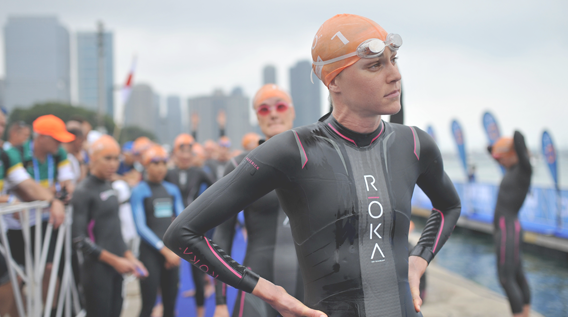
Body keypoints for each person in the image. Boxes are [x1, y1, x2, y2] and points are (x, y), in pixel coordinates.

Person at [164, 13, 461, 317]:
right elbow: (182, 233)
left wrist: (419, 258)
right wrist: (270, 292)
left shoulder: (414, 143)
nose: (395, 75)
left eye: (393, 59)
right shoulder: (294, 150)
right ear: (334, 81)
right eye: (375, 65)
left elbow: (449, 207)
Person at [213, 84, 303, 317]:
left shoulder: (315, 159)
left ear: (292, 112)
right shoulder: (240, 167)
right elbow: (223, 235)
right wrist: (220, 301)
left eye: (280, 106)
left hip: (311, 285)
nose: (273, 113)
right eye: (264, 109)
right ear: (257, 117)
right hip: (259, 284)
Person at [71, 135, 148, 317]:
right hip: (97, 270)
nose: (113, 164)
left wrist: (130, 257)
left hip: (116, 267)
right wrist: (116, 261)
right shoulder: (83, 191)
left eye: (116, 158)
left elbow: (115, 231)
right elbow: (79, 240)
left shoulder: (110, 186)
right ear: (93, 159)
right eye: (107, 158)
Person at [165, 134, 215, 317]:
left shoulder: (199, 171)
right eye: (182, 151)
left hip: (194, 225)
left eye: (189, 151)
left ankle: (200, 312)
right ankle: (167, 307)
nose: (185, 155)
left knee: (198, 268)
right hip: (170, 224)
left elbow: (217, 189)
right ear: (175, 153)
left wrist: (204, 211)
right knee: (169, 268)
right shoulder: (168, 172)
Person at [131, 145, 184, 317]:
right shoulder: (139, 190)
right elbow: (141, 227)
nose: (161, 168)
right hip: (150, 253)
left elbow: (182, 221)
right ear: (146, 165)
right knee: (148, 305)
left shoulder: (172, 190)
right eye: (155, 163)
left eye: (164, 163)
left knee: (170, 305)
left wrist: (174, 251)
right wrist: (164, 250)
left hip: (171, 252)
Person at [489, 132, 532, 317]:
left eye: (503, 157)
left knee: (507, 278)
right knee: (517, 274)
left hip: (508, 228)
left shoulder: (524, 169)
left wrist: (508, 145)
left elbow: (519, 136)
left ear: (513, 153)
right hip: (505, 228)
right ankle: (525, 314)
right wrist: (498, 150)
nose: (501, 161)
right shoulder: (511, 169)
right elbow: (492, 152)